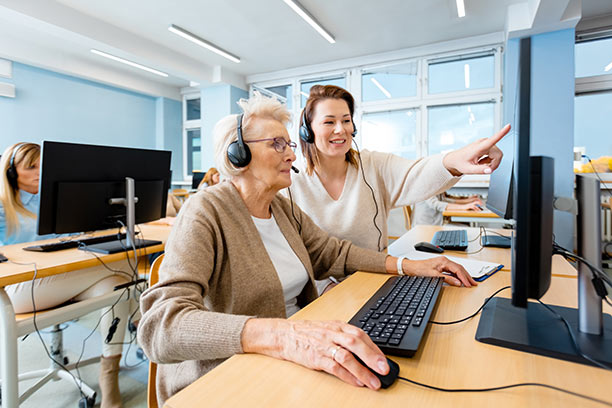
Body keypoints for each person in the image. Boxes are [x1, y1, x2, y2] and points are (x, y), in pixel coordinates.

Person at [137, 93, 477, 405]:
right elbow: (161, 328)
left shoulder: (281, 209)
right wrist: (282, 334)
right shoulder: (206, 211)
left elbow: (334, 254)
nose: (291, 153)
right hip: (226, 375)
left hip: (290, 356)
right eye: (277, 144)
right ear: (237, 155)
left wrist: (408, 265)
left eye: (289, 143)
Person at [288, 85, 508, 292]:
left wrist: (454, 161)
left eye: (346, 120)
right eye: (329, 122)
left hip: (379, 274)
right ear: (308, 130)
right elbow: (293, 253)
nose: (341, 129)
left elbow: (417, 172)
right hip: (324, 290)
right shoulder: (291, 183)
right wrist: (324, 287)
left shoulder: (373, 165)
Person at [0, 142, 131, 408]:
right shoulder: (3, 208)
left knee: (119, 284)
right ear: (12, 172)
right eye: (31, 167)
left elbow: (65, 240)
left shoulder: (48, 201)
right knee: (122, 265)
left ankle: (109, 374)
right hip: (17, 290)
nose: (40, 172)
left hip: (56, 281)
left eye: (43, 166)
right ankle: (141, 320)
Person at [413, 193, 484, 226]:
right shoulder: (427, 181)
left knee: (465, 225)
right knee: (466, 228)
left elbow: (444, 199)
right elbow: (435, 204)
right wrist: (464, 206)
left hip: (438, 221)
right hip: (426, 226)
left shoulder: (437, 180)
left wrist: (467, 200)